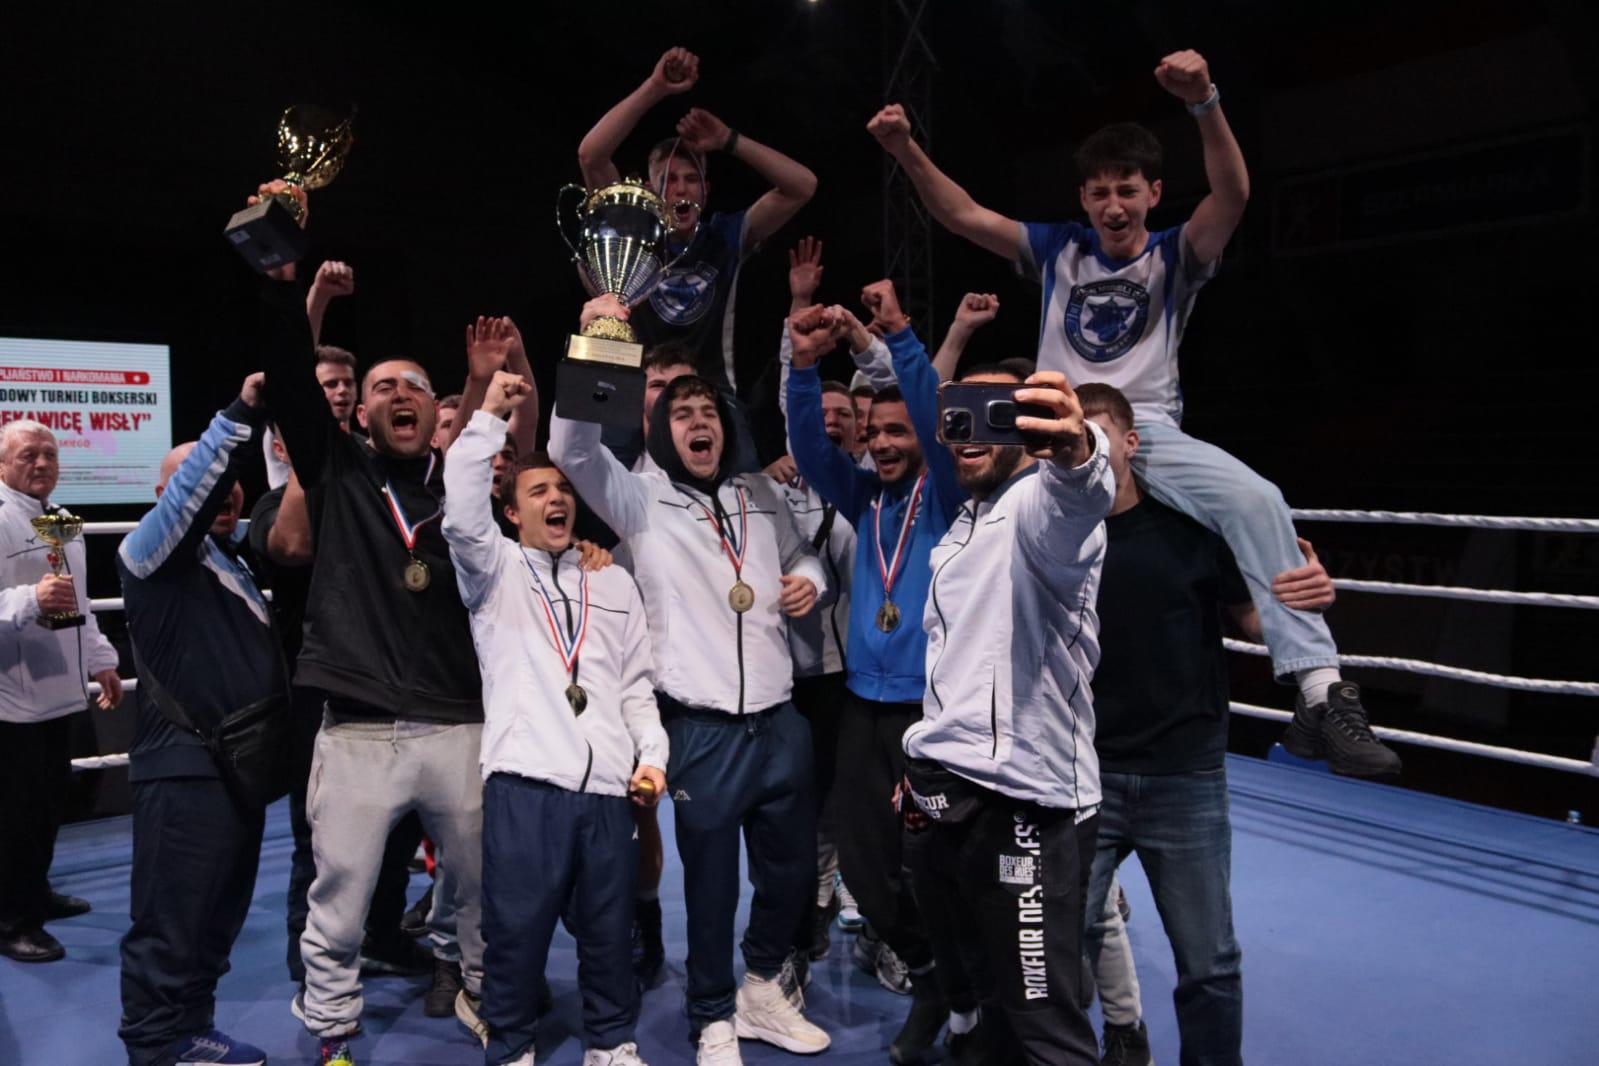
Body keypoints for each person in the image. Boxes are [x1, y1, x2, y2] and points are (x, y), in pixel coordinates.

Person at [867, 49, 1400, 778]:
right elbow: (961, 215)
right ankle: (970, 722)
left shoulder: (1175, 255)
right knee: (989, 539)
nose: (1113, 205)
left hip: (1143, 430)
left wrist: (1204, 101)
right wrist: (905, 148)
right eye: (1099, 193)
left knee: (1257, 499)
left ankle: (1317, 691)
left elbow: (1233, 193)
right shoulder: (1059, 250)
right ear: (1083, 199)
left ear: (1153, 192)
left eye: (1126, 190)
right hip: (1053, 430)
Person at [551, 294, 830, 1066]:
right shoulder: (639, 501)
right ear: (657, 431)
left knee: (791, 875)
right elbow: (571, 446)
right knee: (710, 887)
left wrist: (810, 580)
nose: (697, 422)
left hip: (780, 721)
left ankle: (761, 988)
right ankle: (711, 1016)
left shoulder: (758, 495)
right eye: (680, 414)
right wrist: (601, 340)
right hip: (702, 730)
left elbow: (806, 553)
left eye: (707, 411)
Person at [1077, 382, 1336, 1066]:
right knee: (1058, 945)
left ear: (1132, 442)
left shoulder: (1191, 527)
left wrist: (1303, 595)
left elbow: (1252, 617)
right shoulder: (1056, 534)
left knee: (1209, 963)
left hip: (1182, 774)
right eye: (1078, 437)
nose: (1090, 450)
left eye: (1101, 436)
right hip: (1081, 772)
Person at [443, 369, 668, 1066]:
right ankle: (512, 1047)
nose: (557, 498)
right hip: (526, 786)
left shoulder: (612, 578)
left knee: (610, 932)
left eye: (563, 489)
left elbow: (635, 686)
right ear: (512, 514)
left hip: (606, 791)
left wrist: (651, 755)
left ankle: (612, 1041)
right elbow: (460, 513)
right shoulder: (494, 573)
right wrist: (488, 415)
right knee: (516, 934)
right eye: (538, 491)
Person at [898, 361, 1116, 1065]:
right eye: (959, 411)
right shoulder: (968, 519)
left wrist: (1077, 451)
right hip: (951, 793)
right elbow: (956, 664)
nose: (970, 429)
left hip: (1027, 804)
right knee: (985, 997)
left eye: (994, 411)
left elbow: (1080, 498)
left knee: (1044, 1026)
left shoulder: (1034, 507)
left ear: (1027, 427)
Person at [785, 286, 965, 1063]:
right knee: (862, 862)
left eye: (899, 431)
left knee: (935, 864)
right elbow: (811, 451)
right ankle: (930, 974)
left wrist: (899, 339)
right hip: (863, 704)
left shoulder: (947, 497)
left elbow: (932, 414)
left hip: (930, 709)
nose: (884, 443)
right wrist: (800, 369)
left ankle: (959, 990)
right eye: (876, 433)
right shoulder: (866, 498)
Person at [116, 374, 285, 1066]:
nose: (225, 490)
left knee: (216, 914)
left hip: (233, 768)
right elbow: (194, 489)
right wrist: (242, 413)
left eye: (232, 482)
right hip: (183, 769)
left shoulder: (228, 561)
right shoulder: (146, 551)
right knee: (172, 917)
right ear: (168, 497)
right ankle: (156, 1045)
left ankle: (191, 1028)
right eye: (204, 481)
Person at [577, 46, 817, 393]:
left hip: (713, 398)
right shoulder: (632, 236)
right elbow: (591, 155)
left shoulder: (726, 235)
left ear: (706, 191)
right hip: (639, 395)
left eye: (691, 179)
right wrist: (655, 87)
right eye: (670, 179)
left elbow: (802, 186)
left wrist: (729, 140)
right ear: (650, 191)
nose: (680, 188)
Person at [0, 421, 123, 964]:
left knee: (50, 805)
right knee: (17, 814)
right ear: (2, 464)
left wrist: (101, 659)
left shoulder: (62, 520)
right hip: (11, 698)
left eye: (50, 453)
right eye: (28, 454)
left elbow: (80, 602)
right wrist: (30, 599)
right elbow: (39, 598)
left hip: (60, 689)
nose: (42, 462)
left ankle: (36, 892)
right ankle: (11, 921)